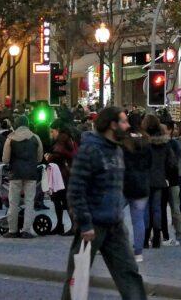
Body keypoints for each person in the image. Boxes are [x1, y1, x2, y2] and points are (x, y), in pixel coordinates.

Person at [62, 107, 146, 300]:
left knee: (129, 273)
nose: (127, 126)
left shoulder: (117, 149)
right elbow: (76, 189)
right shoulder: (90, 150)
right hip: (93, 225)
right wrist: (84, 223)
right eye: (123, 122)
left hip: (115, 224)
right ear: (112, 125)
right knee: (78, 276)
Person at [2, 114, 43, 239]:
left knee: (13, 202)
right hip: (31, 173)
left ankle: (13, 230)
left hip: (15, 173)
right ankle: (26, 230)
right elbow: (39, 157)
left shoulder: (10, 138)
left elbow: (5, 159)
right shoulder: (36, 138)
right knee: (29, 202)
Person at [142, 114, 175, 249]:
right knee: (157, 209)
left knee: (145, 210)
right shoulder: (165, 144)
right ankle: (157, 237)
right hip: (160, 179)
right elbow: (172, 163)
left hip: (145, 180)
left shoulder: (143, 143)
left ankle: (144, 239)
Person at [122, 112, 151, 263]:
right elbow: (150, 163)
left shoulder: (123, 141)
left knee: (114, 214)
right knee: (138, 220)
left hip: (125, 184)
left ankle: (116, 245)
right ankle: (138, 252)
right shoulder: (146, 140)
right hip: (142, 184)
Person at [47, 121, 77, 235]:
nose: (51, 134)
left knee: (62, 200)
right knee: (61, 200)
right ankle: (62, 225)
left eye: (52, 131)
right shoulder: (69, 139)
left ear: (58, 130)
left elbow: (57, 154)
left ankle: (69, 226)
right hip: (65, 173)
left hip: (62, 174)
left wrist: (49, 157)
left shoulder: (62, 140)